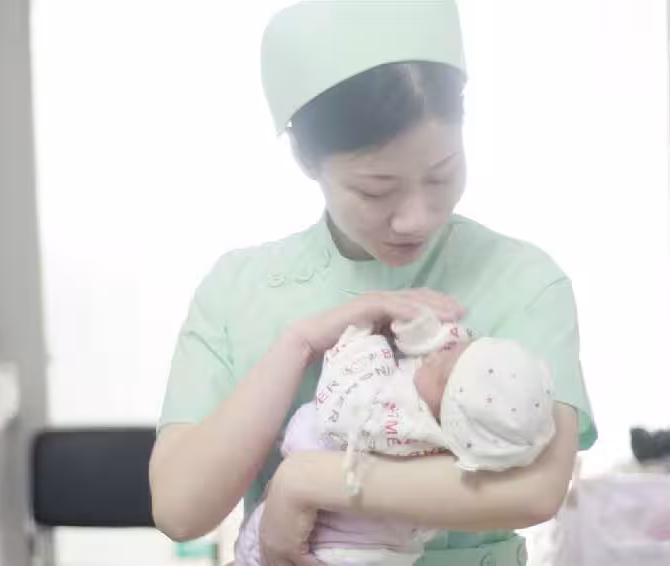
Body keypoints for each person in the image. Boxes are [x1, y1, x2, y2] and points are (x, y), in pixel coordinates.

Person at [150, 2, 596, 565]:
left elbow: (535, 489)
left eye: (442, 173)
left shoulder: (523, 280)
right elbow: (180, 509)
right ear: (306, 158)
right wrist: (299, 343)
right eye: (375, 190)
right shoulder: (238, 290)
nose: (416, 217)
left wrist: (307, 481)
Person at [234, 313, 557, 566]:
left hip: (333, 546)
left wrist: (365, 336)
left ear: (445, 410)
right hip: (379, 549)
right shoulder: (461, 438)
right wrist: (422, 329)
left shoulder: (398, 421)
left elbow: (344, 398)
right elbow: (447, 350)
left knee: (258, 554)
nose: (438, 353)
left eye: (446, 372)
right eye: (459, 348)